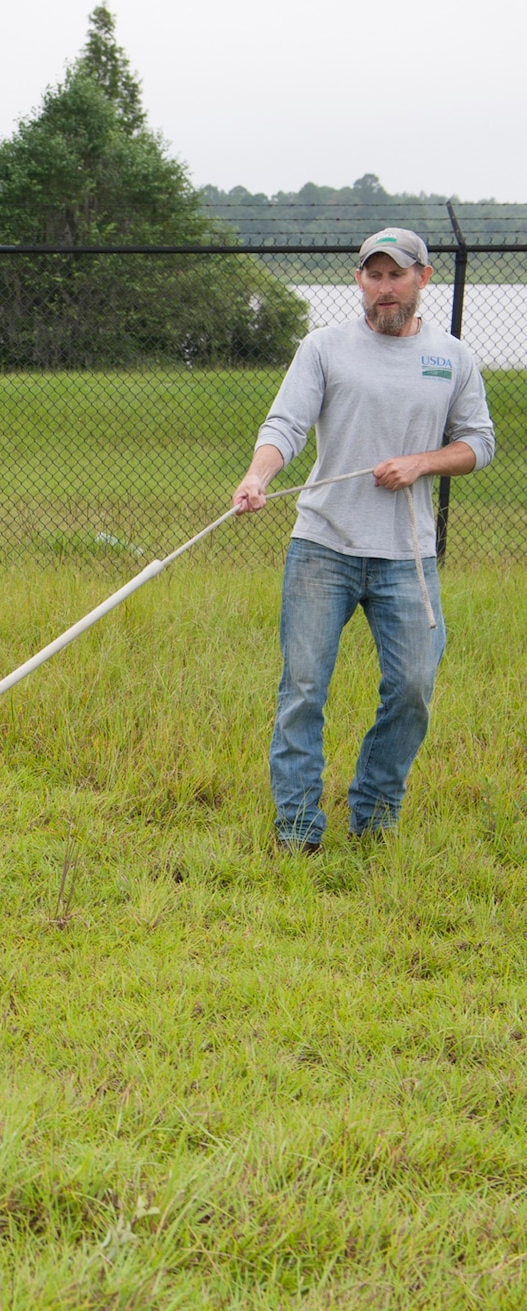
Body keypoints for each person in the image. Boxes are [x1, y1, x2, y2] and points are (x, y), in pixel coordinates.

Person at [232, 227, 496, 853]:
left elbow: (479, 443)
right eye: (371, 276)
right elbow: (286, 424)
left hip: (407, 558)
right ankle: (297, 830)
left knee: (412, 687)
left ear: (422, 278)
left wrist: (422, 463)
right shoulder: (324, 348)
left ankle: (373, 818)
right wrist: (257, 475)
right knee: (302, 689)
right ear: (359, 281)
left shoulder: (452, 357)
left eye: (395, 275)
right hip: (322, 547)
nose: (383, 288)